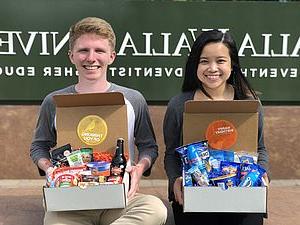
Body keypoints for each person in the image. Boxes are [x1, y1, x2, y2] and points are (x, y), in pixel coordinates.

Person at [30, 17, 167, 225]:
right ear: (72, 56)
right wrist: (50, 169)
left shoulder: (132, 99)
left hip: (120, 200)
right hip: (71, 202)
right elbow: (39, 146)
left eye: (99, 51)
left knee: (155, 210)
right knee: (53, 221)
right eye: (84, 50)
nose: (91, 58)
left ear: (111, 56)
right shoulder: (55, 101)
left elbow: (148, 146)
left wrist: (139, 169)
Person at [163, 29, 269, 225]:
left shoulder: (250, 103)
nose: (212, 68)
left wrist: (261, 174)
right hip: (194, 196)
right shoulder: (178, 105)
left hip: (242, 195)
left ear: (232, 65)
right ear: (195, 64)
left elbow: (260, 148)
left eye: (220, 61)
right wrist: (176, 179)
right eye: (204, 61)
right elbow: (170, 154)